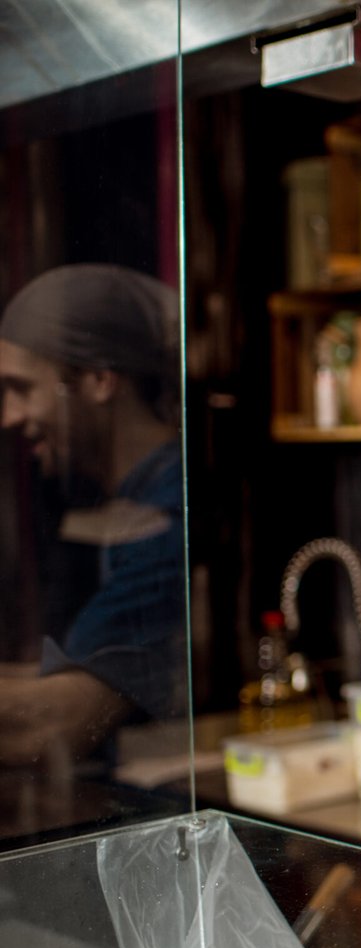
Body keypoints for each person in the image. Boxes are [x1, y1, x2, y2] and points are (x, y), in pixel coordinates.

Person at [0, 264, 185, 768]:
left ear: (100, 380)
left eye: (21, 388)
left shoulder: (168, 514)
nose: (9, 416)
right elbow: (89, 665)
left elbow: (57, 720)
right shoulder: (132, 502)